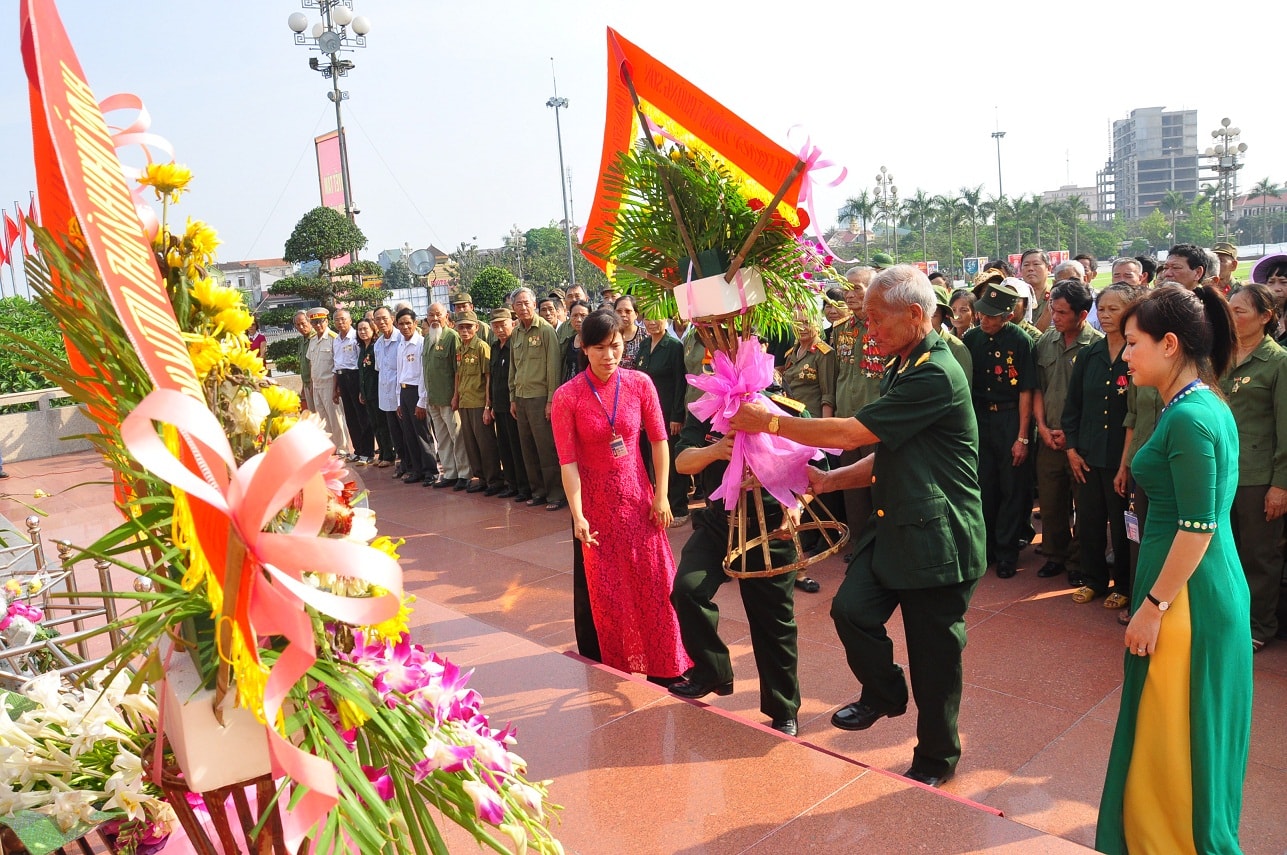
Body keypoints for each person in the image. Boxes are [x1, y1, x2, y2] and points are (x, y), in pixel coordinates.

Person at [728, 265, 985, 785]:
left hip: (940, 535)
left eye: (875, 320)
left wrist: (771, 422)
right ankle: (885, 693)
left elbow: (851, 431)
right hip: (898, 523)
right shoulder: (905, 362)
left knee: (935, 659)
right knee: (851, 610)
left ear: (915, 315)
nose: (869, 331)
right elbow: (890, 451)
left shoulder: (935, 372)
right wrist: (830, 482)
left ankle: (936, 758)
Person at [1095, 284, 1251, 855]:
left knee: (1174, 746)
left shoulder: (1191, 416)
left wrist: (1154, 608)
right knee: (1176, 742)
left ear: (1168, 344)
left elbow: (1198, 526)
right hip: (1187, 588)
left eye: (1132, 343)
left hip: (1188, 597)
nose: (1125, 353)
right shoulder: (1197, 404)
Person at [551, 309, 690, 682]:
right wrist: (578, 515)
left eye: (614, 346)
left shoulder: (640, 383)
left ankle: (667, 665)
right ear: (584, 348)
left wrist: (662, 496)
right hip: (595, 506)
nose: (608, 356)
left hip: (639, 499)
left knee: (655, 583)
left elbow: (660, 443)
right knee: (608, 592)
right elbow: (568, 463)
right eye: (599, 349)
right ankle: (618, 667)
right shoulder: (568, 397)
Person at [1063, 283, 1142, 610]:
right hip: (1088, 452)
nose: (1106, 315)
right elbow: (1073, 407)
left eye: (1114, 309)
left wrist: (1125, 463)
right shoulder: (1088, 354)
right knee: (1089, 520)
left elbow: (1137, 414)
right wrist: (1071, 448)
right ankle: (1093, 579)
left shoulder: (1137, 352)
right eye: (1103, 308)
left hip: (1120, 457)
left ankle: (1123, 584)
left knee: (1123, 524)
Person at [1221, 284, 1287, 652]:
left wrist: (1281, 484)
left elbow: (1285, 430)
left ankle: (1259, 625)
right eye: (1229, 309)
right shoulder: (1222, 356)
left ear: (1266, 317)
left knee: (1260, 555)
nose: (1232, 316)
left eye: (1241, 311)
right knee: (1225, 552)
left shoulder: (1278, 362)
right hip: (1222, 472)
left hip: (1258, 477)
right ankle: (1229, 618)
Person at [962, 281, 1035, 579]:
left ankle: (1007, 552)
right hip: (981, 418)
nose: (985, 320)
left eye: (992, 316)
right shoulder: (972, 340)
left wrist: (1021, 437)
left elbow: (1026, 392)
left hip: (1009, 419)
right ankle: (987, 548)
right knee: (984, 486)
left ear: (1007, 315)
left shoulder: (1020, 341)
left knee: (1012, 487)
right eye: (982, 314)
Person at [1031, 279, 1101, 585]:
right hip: (1048, 437)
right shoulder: (1045, 342)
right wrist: (1042, 427)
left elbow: (1098, 400)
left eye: (1062, 312)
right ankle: (1055, 555)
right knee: (1051, 501)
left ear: (1082, 315)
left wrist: (1071, 437)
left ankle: (1078, 560)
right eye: (1052, 310)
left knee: (1084, 504)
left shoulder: (1097, 346)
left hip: (1081, 442)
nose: (1055, 317)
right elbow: (1037, 389)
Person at [509, 288, 565, 510]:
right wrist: (512, 397)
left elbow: (553, 367)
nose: (523, 308)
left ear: (534, 304)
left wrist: (551, 400)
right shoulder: (516, 333)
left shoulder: (545, 330)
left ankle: (556, 494)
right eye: (518, 304)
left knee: (546, 449)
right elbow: (514, 367)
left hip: (540, 397)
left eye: (526, 303)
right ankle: (538, 491)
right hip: (521, 398)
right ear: (513, 307)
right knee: (528, 449)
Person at [636, 316, 690, 526]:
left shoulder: (674, 346)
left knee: (671, 458)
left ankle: (679, 507)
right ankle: (659, 500)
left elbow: (680, 381)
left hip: (668, 412)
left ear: (665, 320)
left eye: (656, 318)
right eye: (647, 319)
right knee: (653, 458)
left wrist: (677, 415)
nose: (651, 323)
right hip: (648, 411)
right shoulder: (645, 344)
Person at [419, 303, 470, 490]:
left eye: (437, 315)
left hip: (450, 398)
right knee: (442, 439)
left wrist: (456, 395)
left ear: (446, 316)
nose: (434, 319)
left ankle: (464, 473)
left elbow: (458, 371)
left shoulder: (452, 337)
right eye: (430, 315)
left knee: (457, 437)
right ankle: (450, 472)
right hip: (434, 398)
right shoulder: (427, 339)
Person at [453, 311, 502, 495]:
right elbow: (458, 375)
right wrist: (455, 396)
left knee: (485, 443)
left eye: (468, 327)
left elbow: (488, 377)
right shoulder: (460, 349)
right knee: (471, 443)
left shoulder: (481, 347)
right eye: (461, 327)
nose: (464, 331)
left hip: (479, 402)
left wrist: (488, 405)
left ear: (477, 327)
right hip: (465, 401)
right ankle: (481, 478)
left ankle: (494, 480)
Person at [488, 308, 528, 500]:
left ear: (512, 323)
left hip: (513, 403)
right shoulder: (495, 347)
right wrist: (490, 405)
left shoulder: (516, 345)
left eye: (503, 324)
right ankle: (511, 484)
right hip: (499, 404)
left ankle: (523, 486)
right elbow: (492, 377)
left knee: (517, 446)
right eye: (495, 326)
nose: (499, 329)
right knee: (504, 446)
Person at [393, 308, 436, 484]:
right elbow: (399, 372)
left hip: (417, 391)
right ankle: (417, 470)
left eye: (408, 323)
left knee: (422, 434)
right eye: (401, 324)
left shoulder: (421, 344)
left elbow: (424, 375)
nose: (404, 327)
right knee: (409, 434)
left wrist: (422, 401)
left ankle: (430, 471)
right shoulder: (401, 345)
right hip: (403, 392)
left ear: (415, 323)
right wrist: (398, 400)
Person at [333, 308, 373, 464]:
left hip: (355, 377)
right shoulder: (336, 340)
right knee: (350, 417)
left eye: (343, 319)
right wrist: (335, 388)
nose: (340, 322)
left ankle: (368, 452)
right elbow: (335, 365)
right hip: (342, 378)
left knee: (362, 415)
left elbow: (361, 361)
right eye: (337, 319)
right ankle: (357, 450)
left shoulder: (356, 338)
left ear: (350, 320)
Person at [306, 307, 349, 451]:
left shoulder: (333, 338)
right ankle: (330, 449)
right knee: (323, 419)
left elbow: (337, 365)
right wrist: (312, 385)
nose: (318, 325)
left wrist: (336, 388)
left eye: (321, 321)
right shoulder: (312, 340)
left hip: (330, 383)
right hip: (317, 384)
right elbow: (312, 363)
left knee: (335, 418)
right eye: (314, 322)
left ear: (326, 321)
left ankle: (342, 448)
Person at [356, 317, 394, 469]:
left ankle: (389, 455)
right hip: (367, 392)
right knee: (375, 424)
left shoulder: (375, 347)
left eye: (366, 328)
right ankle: (383, 453)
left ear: (373, 330)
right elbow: (362, 373)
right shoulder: (362, 349)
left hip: (378, 391)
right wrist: (361, 392)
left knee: (382, 424)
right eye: (360, 329)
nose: (363, 332)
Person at [372, 306, 405, 473]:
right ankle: (403, 464)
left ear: (392, 318)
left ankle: (412, 464)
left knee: (407, 432)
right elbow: (380, 369)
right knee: (395, 433)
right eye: (377, 319)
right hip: (386, 395)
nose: (381, 322)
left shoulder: (401, 339)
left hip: (401, 394)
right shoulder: (378, 344)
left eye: (384, 318)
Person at [560, 300, 591, 385]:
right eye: (575, 316)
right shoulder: (570, 341)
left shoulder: (594, 341)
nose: (578, 320)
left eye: (583, 315)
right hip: (571, 386)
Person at [613, 295, 647, 369]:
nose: (623, 315)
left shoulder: (646, 335)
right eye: (619, 311)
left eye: (628, 311)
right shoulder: (609, 335)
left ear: (636, 314)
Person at [292, 310, 313, 410]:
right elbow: (303, 364)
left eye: (303, 323)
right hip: (307, 385)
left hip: (318, 385)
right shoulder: (301, 340)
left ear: (309, 322)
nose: (300, 327)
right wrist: (303, 387)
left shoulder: (316, 338)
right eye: (297, 325)